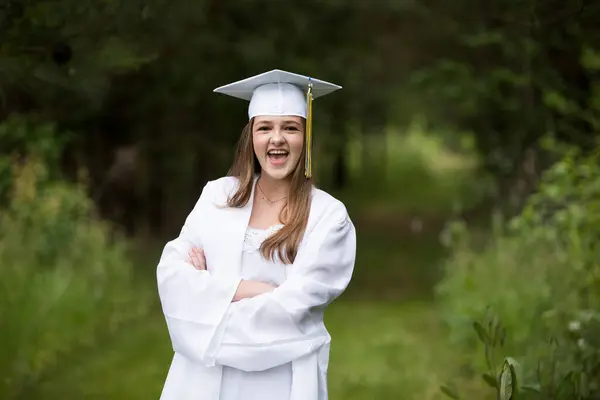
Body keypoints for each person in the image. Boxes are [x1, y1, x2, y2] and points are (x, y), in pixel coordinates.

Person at [156, 69, 357, 400]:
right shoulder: (217, 197)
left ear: (305, 138)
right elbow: (172, 276)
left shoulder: (328, 217)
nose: (276, 138)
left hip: (280, 379)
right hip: (200, 381)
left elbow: (291, 310)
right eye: (265, 128)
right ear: (251, 136)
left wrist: (207, 305)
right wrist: (246, 289)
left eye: (290, 128)